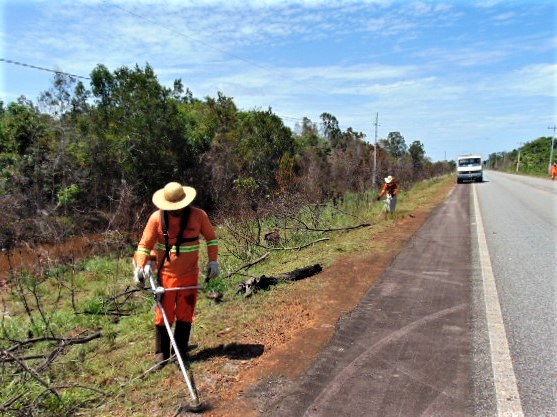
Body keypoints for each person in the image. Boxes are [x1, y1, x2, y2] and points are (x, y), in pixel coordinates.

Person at [133, 182, 219, 369]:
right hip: (166, 277)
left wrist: (213, 261)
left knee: (185, 313)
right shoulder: (157, 218)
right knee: (163, 314)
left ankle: (180, 351)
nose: (176, 211)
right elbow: (144, 246)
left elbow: (211, 239)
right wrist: (140, 267)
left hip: (189, 276)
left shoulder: (198, 216)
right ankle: (161, 354)